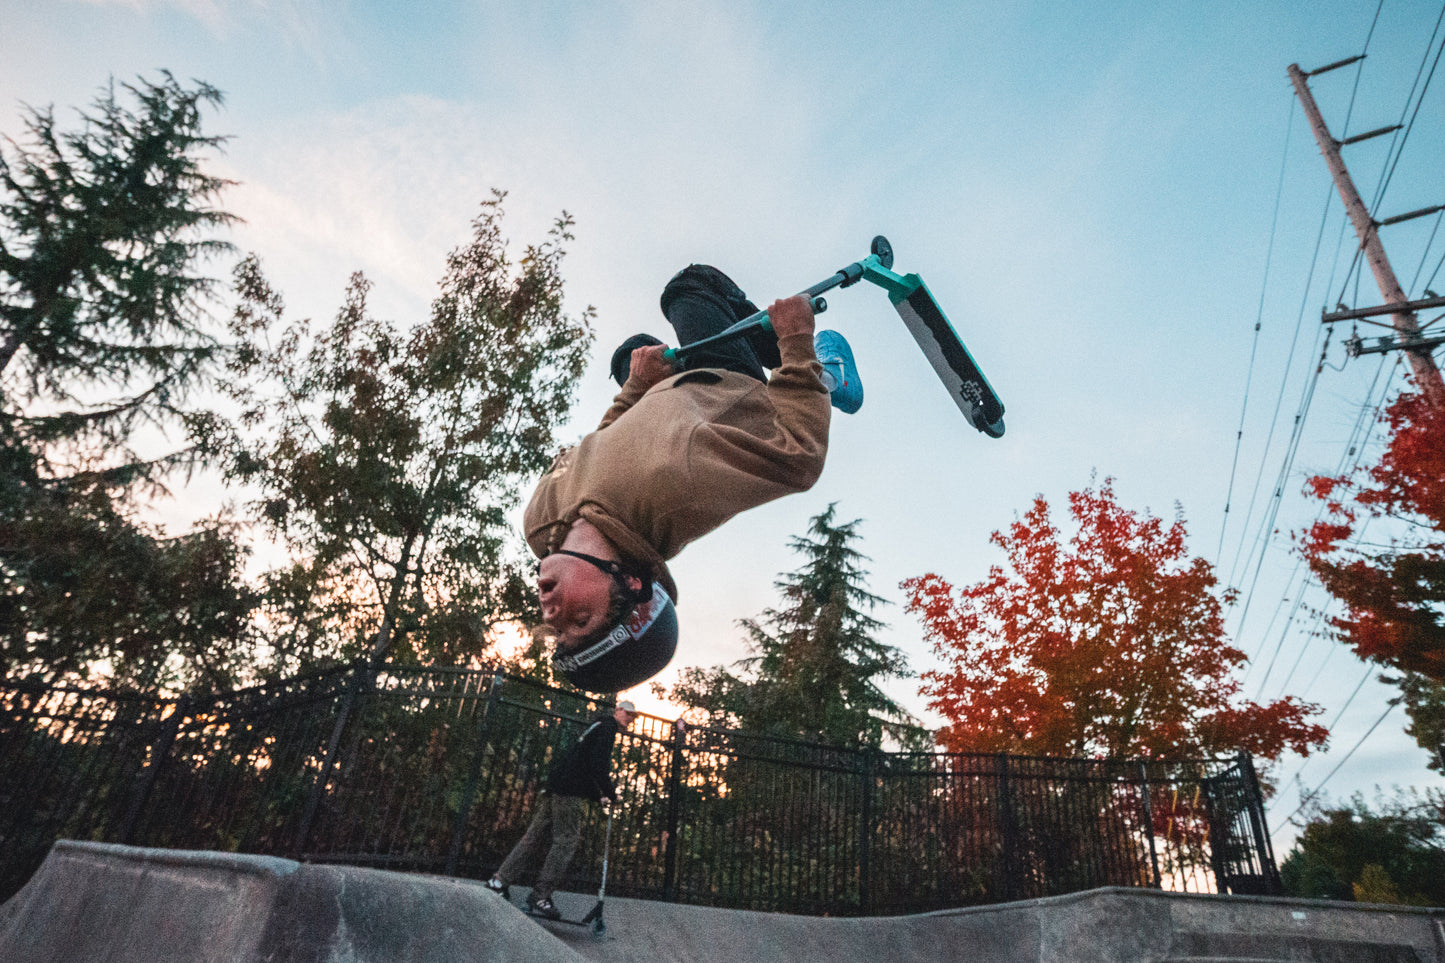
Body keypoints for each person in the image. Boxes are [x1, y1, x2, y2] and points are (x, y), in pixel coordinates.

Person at [524, 264, 863, 693]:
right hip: (727, 385)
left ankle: (802, 366)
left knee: (630, 353)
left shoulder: (539, 521)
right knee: (688, 288)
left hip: (665, 392)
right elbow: (799, 457)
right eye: (581, 619)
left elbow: (599, 443)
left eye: (556, 628)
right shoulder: (679, 491)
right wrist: (794, 341)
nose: (551, 613)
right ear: (629, 582)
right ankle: (829, 375)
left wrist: (632, 389)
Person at [485, 700, 638, 919]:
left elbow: (582, 763)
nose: (629, 720)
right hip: (569, 791)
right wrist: (611, 794)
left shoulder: (595, 726)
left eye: (633, 717)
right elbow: (597, 766)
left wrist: (599, 795)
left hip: (557, 785)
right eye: (628, 714)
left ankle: (498, 881)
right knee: (566, 841)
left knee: (533, 836)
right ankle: (541, 896)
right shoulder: (608, 728)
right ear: (619, 710)